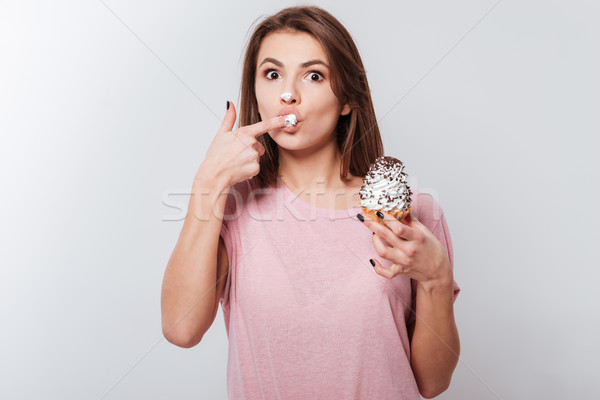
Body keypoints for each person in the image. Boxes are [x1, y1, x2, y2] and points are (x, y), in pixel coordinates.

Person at [161, 5, 460, 399]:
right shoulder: (232, 206)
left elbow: (432, 383)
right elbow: (181, 329)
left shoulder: (413, 211)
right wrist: (208, 182)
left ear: (348, 100)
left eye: (314, 75)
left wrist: (437, 279)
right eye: (272, 74)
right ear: (255, 90)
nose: (288, 94)